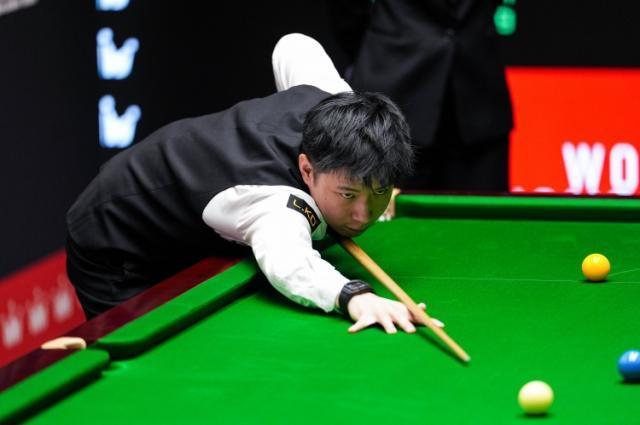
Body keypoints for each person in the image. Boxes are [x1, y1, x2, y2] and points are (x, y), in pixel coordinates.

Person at [66, 33, 438, 334]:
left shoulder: (333, 101)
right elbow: (290, 265)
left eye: (378, 192)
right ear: (307, 170)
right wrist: (354, 296)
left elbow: (294, 45)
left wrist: (367, 187)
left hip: (187, 210)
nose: (362, 214)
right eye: (347, 194)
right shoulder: (272, 202)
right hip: (116, 236)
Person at [328, 0, 513, 192]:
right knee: (376, 207)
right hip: (392, 98)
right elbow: (347, 12)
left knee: (481, 210)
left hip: (479, 104)